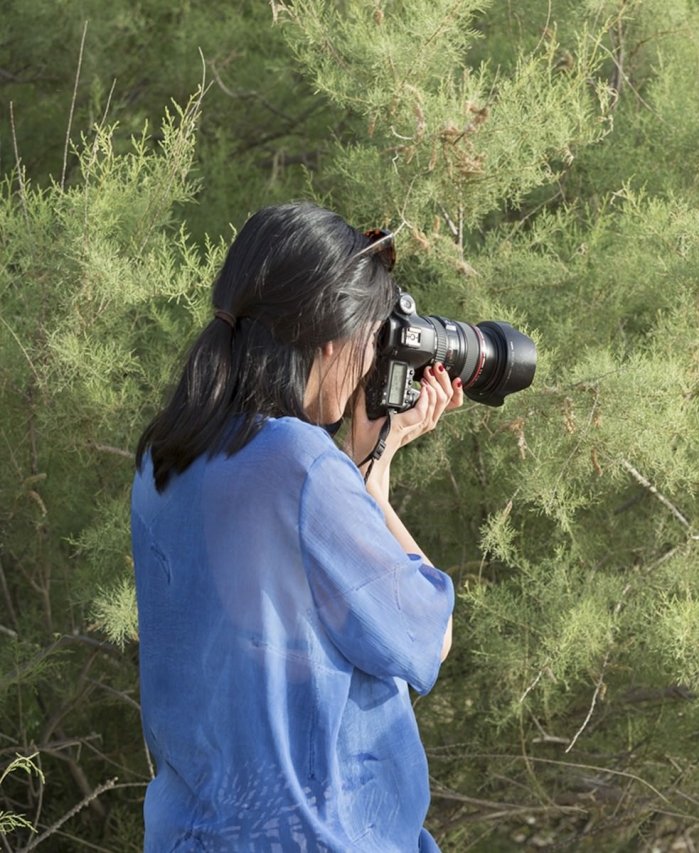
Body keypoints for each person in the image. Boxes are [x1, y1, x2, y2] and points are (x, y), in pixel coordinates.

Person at [131, 202, 463, 852]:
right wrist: (371, 467)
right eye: (372, 335)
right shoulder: (300, 465)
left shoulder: (165, 456)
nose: (373, 359)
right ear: (330, 334)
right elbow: (426, 632)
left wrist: (364, 465)